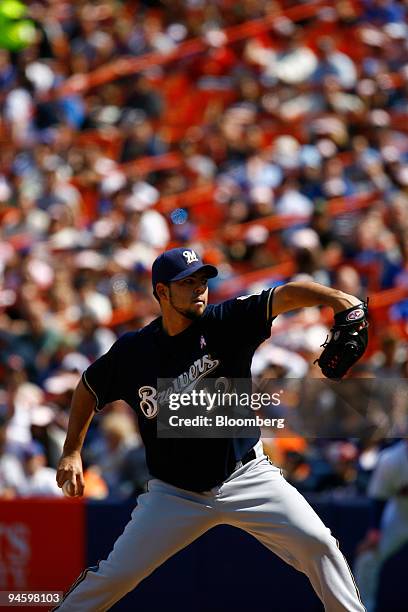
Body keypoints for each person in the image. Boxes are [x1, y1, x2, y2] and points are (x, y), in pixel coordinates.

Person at [54, 247, 365, 611]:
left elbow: (285, 295)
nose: (200, 288)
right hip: (174, 494)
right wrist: (72, 450)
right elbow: (88, 388)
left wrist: (339, 298)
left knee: (319, 545)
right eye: (188, 282)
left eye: (203, 279)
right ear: (162, 292)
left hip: (246, 477)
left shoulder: (226, 321)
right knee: (115, 576)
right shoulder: (134, 352)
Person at [354, 439, 408, 612]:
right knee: (368, 557)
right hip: (401, 514)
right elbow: (379, 497)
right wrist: (375, 531)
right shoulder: (391, 459)